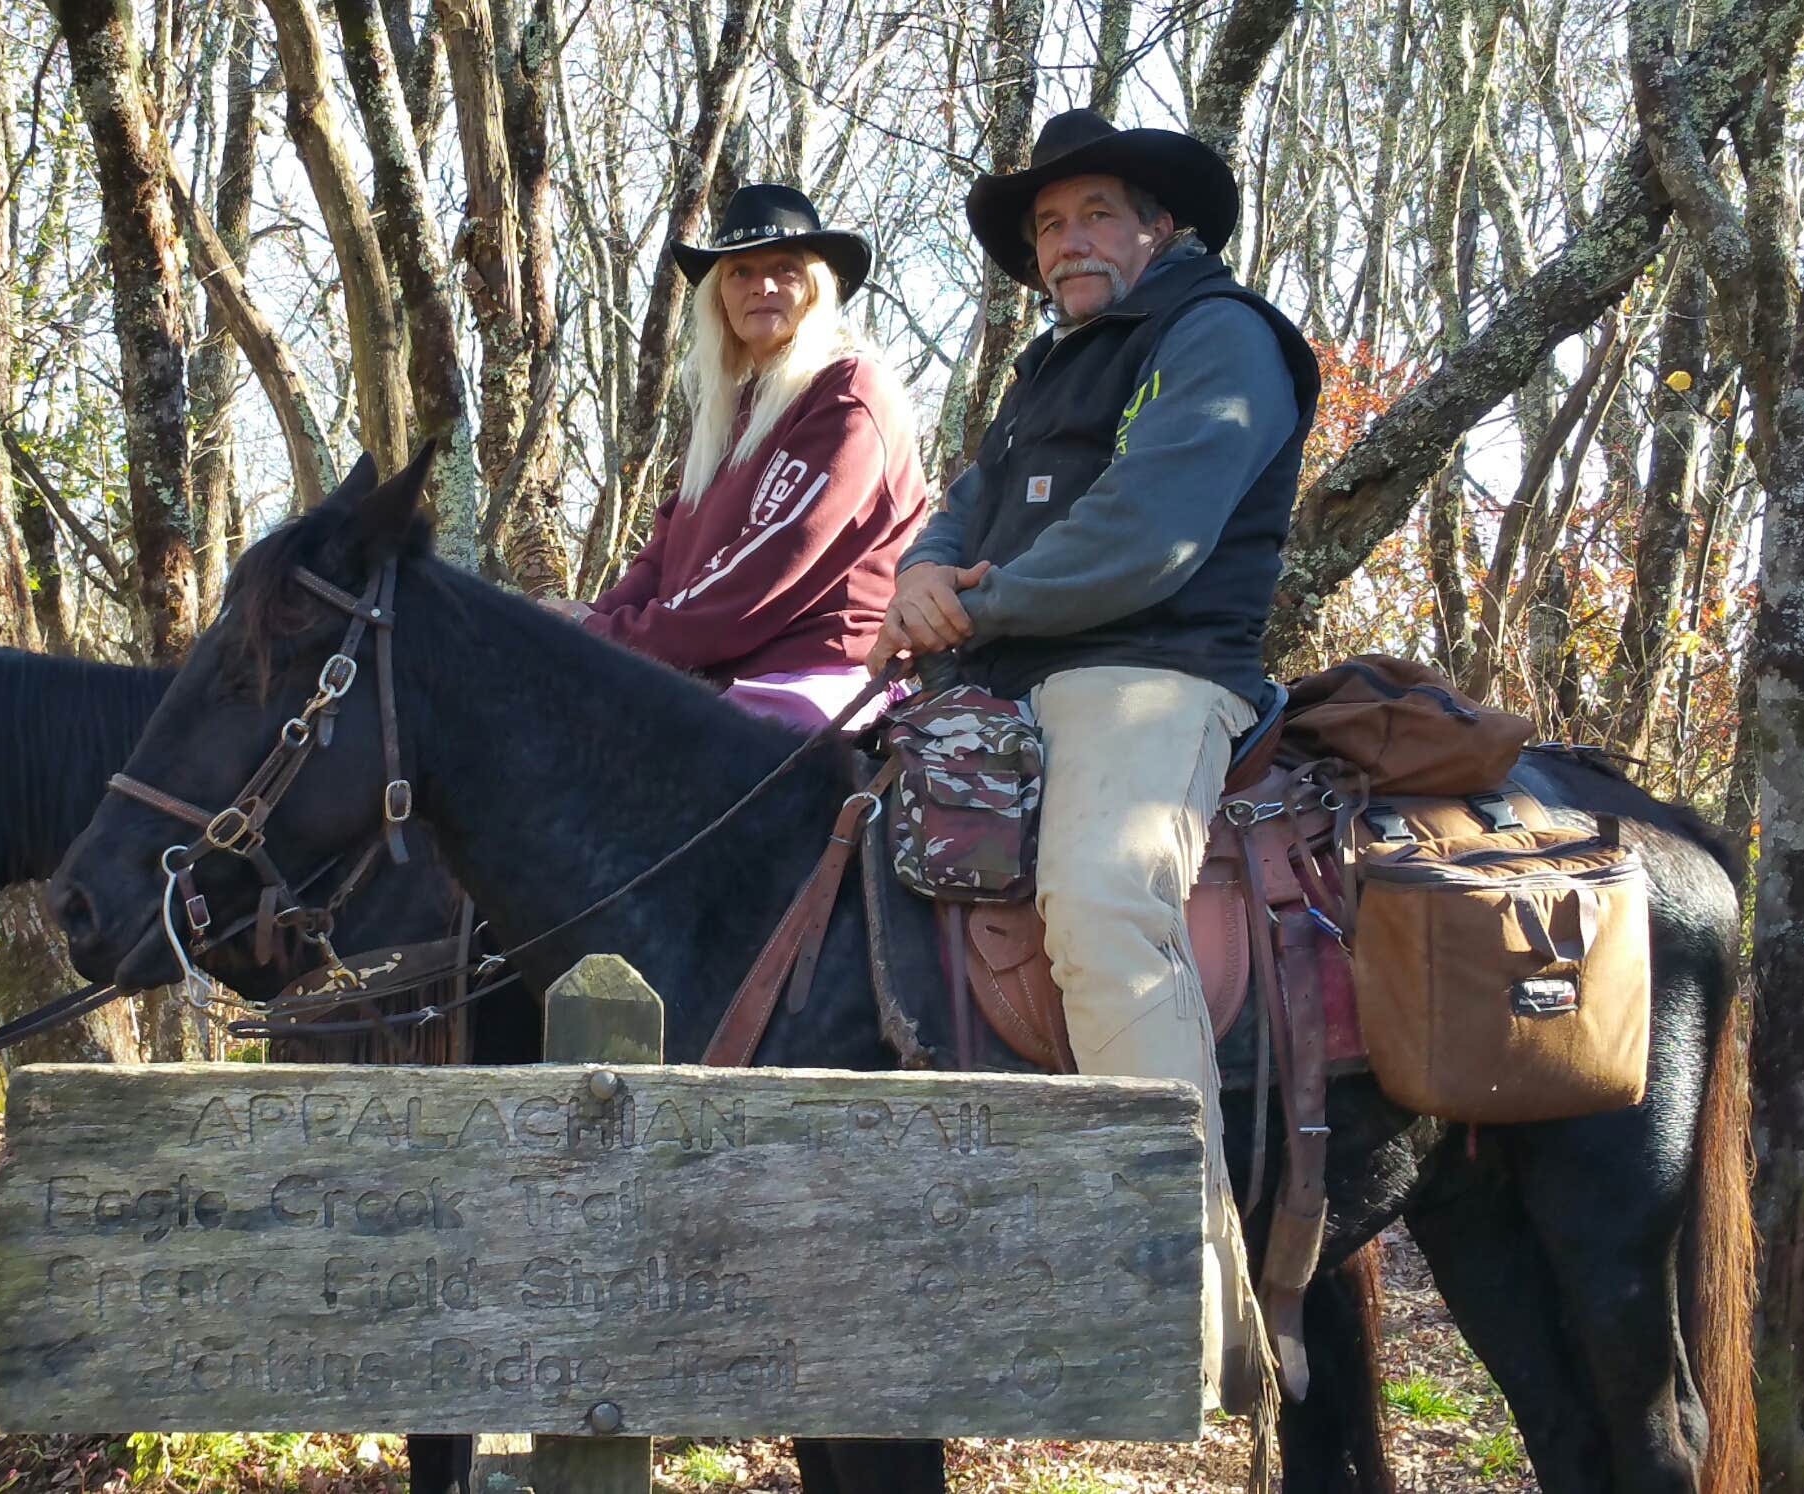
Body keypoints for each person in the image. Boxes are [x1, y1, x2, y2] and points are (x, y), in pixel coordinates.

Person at [868, 110, 1322, 1412]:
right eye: (1049, 225)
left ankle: (1176, 1271)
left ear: (1159, 229)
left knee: (1106, 901)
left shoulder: (1219, 338)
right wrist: (916, 576)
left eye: (1095, 216)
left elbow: (1147, 534)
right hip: (1001, 673)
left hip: (1151, 670)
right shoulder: (1043, 372)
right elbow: (963, 507)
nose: (1069, 241)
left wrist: (979, 602)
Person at [547, 183, 928, 732]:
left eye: (785, 269)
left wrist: (608, 636)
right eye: (740, 272)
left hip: (816, 674)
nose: (762, 286)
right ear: (719, 295)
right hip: (712, 675)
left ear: (816, 287)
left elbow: (766, 562)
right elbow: (663, 557)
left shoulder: (848, 390)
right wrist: (588, 620)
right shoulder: (730, 416)